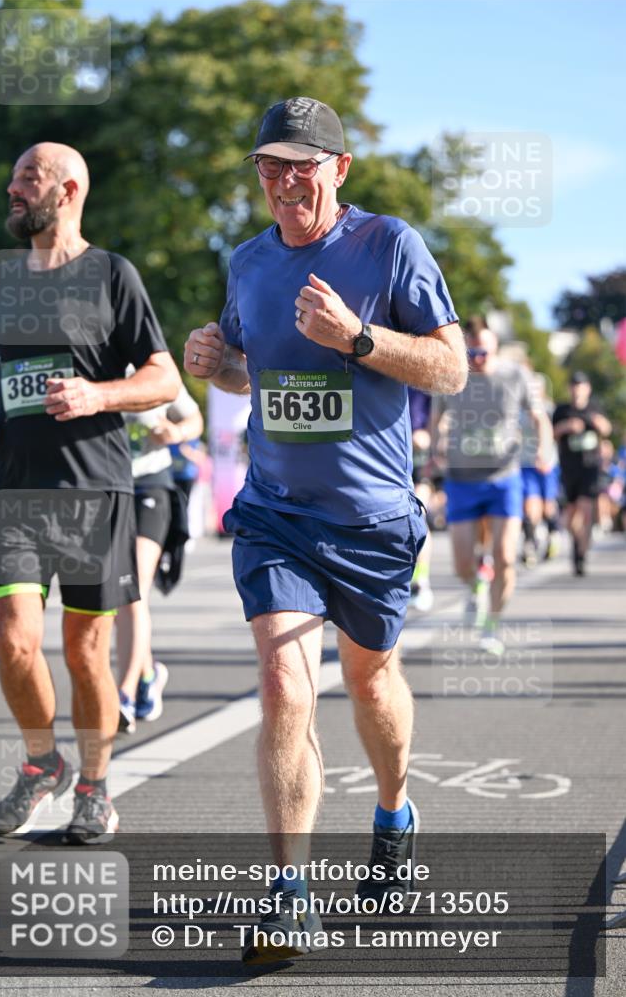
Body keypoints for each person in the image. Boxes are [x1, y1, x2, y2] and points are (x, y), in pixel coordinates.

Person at [184, 97, 467, 964]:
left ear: (338, 170)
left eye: (301, 166)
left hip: (373, 518)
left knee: (371, 681)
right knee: (282, 682)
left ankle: (392, 812)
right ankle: (288, 895)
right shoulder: (248, 261)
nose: (283, 182)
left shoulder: (388, 246)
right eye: (270, 166)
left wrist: (359, 339)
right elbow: (249, 368)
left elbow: (450, 367)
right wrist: (216, 363)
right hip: (276, 513)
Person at [0, 142, 181, 842]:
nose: (12, 188)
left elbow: (164, 379)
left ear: (69, 189)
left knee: (86, 652)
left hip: (95, 490)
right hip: (16, 493)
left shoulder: (112, 275)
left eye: (28, 178)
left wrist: (98, 394)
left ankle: (93, 784)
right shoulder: (0, 278)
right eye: (15, 177)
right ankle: (39, 763)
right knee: (16, 641)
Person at [431, 322, 553, 654]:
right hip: (462, 478)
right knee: (462, 564)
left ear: (496, 347)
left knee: (505, 557)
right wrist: (434, 449)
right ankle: (475, 587)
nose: (478, 359)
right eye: (472, 353)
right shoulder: (454, 375)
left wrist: (543, 448)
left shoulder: (515, 376)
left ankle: (491, 625)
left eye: (484, 352)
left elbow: (539, 416)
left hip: (504, 477)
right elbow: (437, 416)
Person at [115, 379, 203, 733]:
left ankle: (124, 695)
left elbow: (194, 420)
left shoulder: (154, 370)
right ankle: (147, 674)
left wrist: (176, 432)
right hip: (106, 488)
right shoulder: (90, 367)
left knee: (132, 587)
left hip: (151, 485)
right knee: (116, 595)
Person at [552, 371, 612, 575]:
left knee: (586, 510)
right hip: (569, 468)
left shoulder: (595, 408)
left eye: (581, 385)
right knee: (571, 517)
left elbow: (607, 429)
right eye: (574, 385)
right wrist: (566, 427)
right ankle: (578, 543)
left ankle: (580, 555)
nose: (577, 389)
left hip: (590, 466)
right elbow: (550, 433)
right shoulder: (562, 410)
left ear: (588, 388)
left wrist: (597, 423)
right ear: (570, 388)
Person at [519, 371, 560, 566]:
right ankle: (529, 543)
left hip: (547, 464)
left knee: (548, 506)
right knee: (529, 506)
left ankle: (553, 534)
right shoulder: (518, 411)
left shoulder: (550, 409)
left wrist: (544, 454)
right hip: (526, 463)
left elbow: (553, 432)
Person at [408, 386, 435, 611]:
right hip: (389, 454)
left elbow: (443, 416)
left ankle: (420, 581)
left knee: (418, 517)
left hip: (420, 457)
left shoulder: (423, 377)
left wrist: (428, 433)